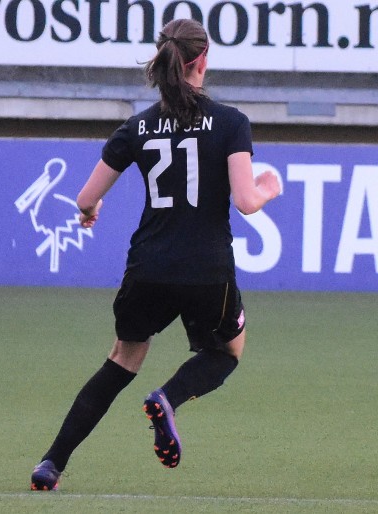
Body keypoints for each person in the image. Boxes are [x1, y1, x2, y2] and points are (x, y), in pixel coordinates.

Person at [30, 18, 280, 491]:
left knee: (121, 360)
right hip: (207, 269)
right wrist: (267, 188)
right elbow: (246, 201)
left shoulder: (138, 125)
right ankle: (168, 397)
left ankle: (51, 464)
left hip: (149, 266)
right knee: (226, 351)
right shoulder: (231, 122)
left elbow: (85, 197)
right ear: (203, 60)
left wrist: (90, 211)